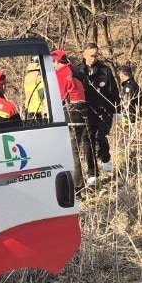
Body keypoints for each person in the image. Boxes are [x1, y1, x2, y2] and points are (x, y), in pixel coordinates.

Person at [72, 45, 119, 175]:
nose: (93, 58)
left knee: (100, 136)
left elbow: (113, 91)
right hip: (86, 111)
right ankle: (92, 171)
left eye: (96, 56)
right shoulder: (77, 71)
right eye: (91, 56)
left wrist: (117, 109)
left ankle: (105, 159)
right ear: (84, 55)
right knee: (87, 139)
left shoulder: (105, 70)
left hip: (104, 110)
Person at [53, 49, 97, 183]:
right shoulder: (74, 71)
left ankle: (77, 186)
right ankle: (78, 183)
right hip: (81, 114)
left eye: (53, 63)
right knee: (75, 150)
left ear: (55, 61)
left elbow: (58, 97)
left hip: (71, 114)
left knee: (72, 152)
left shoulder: (62, 73)